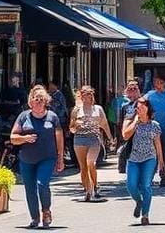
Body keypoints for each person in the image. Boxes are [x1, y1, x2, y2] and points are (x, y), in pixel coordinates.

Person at [10, 85, 64, 229]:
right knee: (30, 189)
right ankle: (34, 218)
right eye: (36, 99)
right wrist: (25, 138)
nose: (38, 102)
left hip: (47, 157)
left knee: (42, 184)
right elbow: (13, 137)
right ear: (30, 102)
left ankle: (46, 211)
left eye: (41, 100)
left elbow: (59, 138)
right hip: (27, 159)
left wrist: (60, 158)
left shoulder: (52, 117)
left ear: (46, 101)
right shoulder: (23, 117)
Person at [122, 95, 165, 225]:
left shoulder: (154, 125)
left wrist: (161, 162)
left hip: (149, 158)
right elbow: (125, 136)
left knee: (146, 185)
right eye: (137, 107)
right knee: (131, 185)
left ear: (148, 108)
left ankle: (145, 214)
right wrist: (135, 122)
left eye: (142, 107)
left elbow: (157, 144)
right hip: (133, 158)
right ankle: (139, 202)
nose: (139, 109)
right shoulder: (130, 121)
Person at [69, 85, 112, 201]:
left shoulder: (98, 109)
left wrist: (110, 138)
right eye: (87, 94)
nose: (89, 96)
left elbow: (104, 124)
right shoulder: (76, 110)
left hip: (94, 139)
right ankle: (88, 190)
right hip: (80, 139)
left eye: (91, 94)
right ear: (82, 96)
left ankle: (95, 185)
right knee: (83, 167)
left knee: (90, 162)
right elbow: (71, 128)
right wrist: (76, 125)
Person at [145, 76, 165, 187]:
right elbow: (141, 105)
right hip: (152, 129)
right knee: (152, 153)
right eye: (156, 82)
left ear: (164, 83)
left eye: (161, 82)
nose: (158, 85)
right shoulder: (149, 95)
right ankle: (149, 177)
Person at [117, 79, 141, 172]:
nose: (133, 91)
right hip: (128, 133)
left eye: (135, 89)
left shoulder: (143, 103)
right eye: (130, 89)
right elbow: (121, 122)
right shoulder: (125, 106)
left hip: (141, 133)